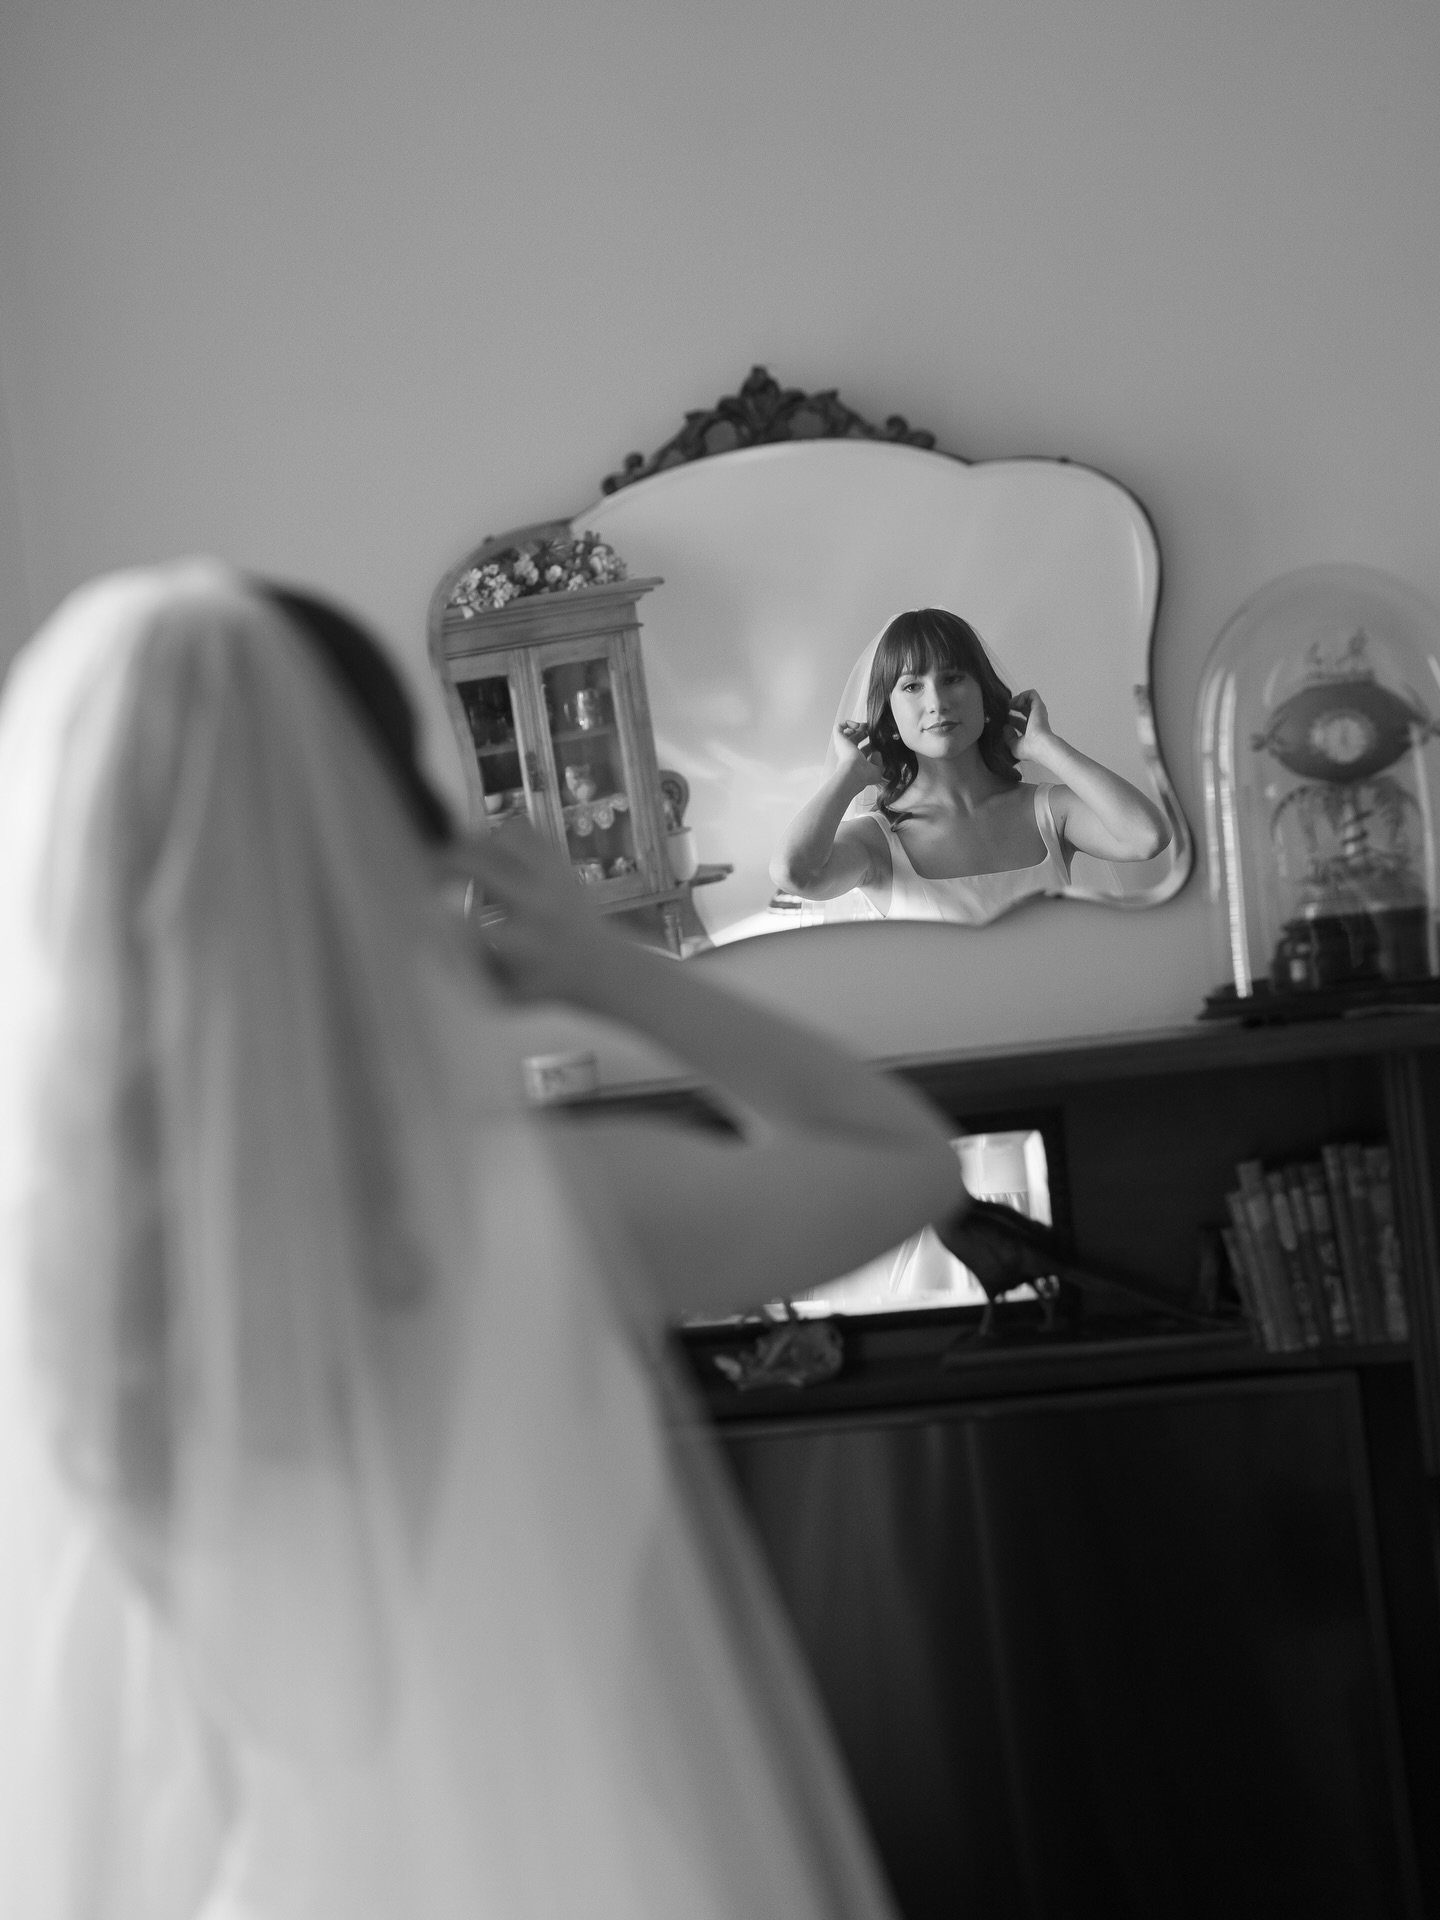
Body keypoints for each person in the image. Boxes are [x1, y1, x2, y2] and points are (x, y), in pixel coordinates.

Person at [0, 561, 965, 1920]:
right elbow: (901, 1160)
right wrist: (603, 962)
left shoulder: (45, 1279)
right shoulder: (538, 1205)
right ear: (389, 844)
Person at [771, 607, 1171, 924]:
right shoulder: (874, 842)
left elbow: (1146, 838)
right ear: (889, 715)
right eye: (912, 686)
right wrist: (848, 776)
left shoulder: (1051, 811)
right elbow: (795, 874)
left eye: (953, 678)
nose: (937, 702)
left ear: (984, 692)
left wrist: (1045, 747)